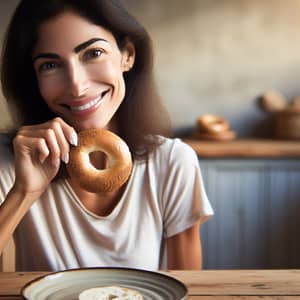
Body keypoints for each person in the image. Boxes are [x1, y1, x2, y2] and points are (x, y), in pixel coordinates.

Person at [0, 0, 213, 272]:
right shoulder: (13, 162)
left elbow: (188, 287)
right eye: (50, 65)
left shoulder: (171, 162)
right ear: (34, 79)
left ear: (128, 55)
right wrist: (23, 192)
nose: (77, 87)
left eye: (93, 53)